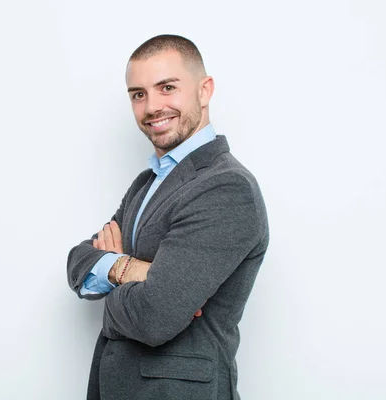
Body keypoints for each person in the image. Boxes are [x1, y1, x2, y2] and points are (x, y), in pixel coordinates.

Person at [66, 34, 269, 400]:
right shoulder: (149, 182)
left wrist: (117, 275)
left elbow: (154, 317)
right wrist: (130, 270)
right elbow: (78, 261)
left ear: (204, 91)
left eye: (167, 87)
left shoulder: (225, 187)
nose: (151, 107)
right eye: (138, 94)